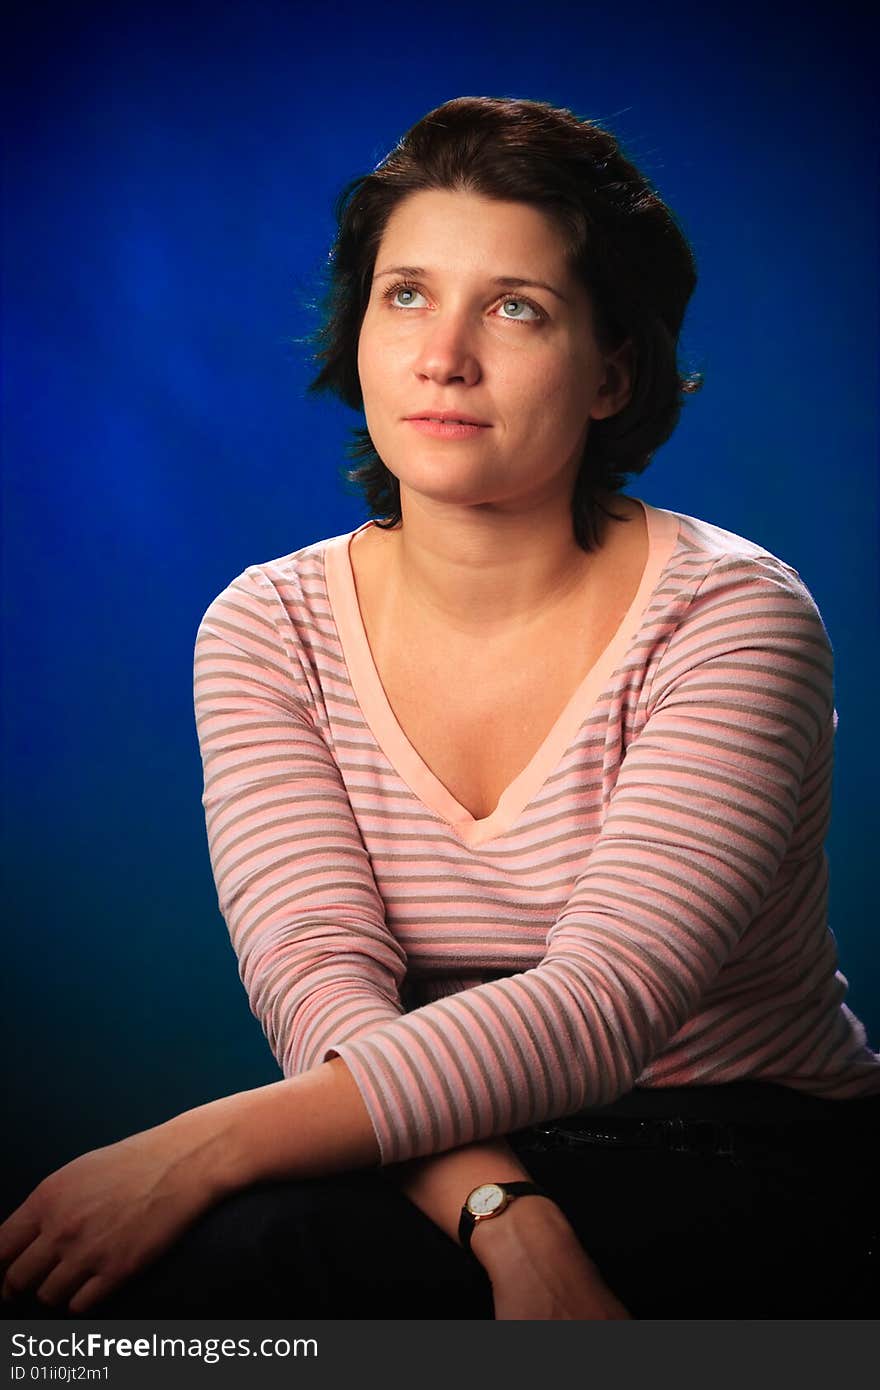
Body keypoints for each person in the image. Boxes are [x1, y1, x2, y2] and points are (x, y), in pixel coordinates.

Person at [2, 95, 879, 1322]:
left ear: (612, 370)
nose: (442, 355)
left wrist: (199, 1143)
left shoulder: (730, 616)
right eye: (405, 294)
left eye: (514, 307)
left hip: (739, 1135)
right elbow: (320, 986)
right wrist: (504, 1219)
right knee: (181, 1284)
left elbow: (600, 1005)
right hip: (433, 1134)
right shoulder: (266, 626)